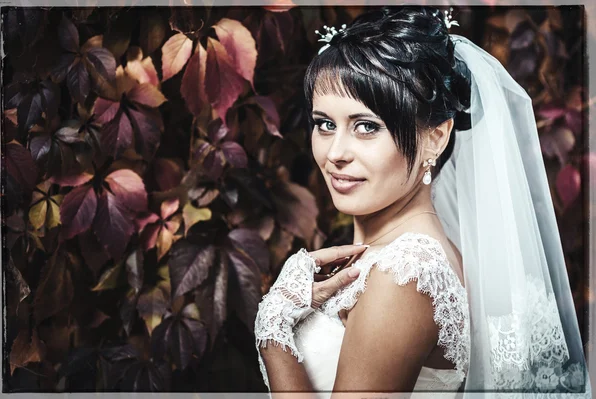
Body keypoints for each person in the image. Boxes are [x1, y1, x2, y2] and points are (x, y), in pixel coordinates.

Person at [253, 6, 592, 399]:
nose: (335, 153)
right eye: (325, 124)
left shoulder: (405, 273)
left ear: (436, 137)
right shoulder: (405, 257)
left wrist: (273, 328)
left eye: (366, 127)